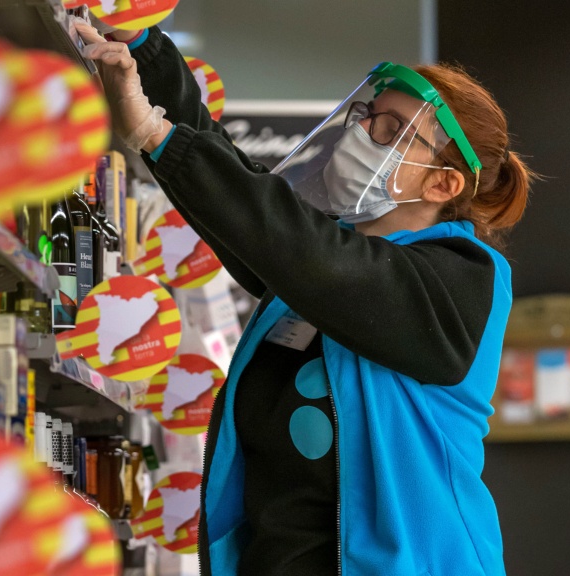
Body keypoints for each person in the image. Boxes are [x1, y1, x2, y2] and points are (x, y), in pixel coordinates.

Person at [75, 21, 534, 576]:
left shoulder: (460, 279)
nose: (361, 133)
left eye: (390, 130)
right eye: (365, 116)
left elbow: (307, 252)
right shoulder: (316, 268)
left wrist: (156, 135)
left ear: (443, 184)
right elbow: (250, 210)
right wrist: (144, 49)